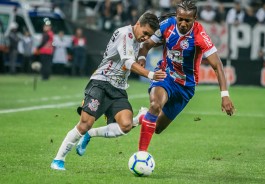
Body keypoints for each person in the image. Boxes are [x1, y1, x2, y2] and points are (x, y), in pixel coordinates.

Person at [50, 12, 166, 171]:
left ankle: (91, 134)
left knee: (125, 125)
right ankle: (58, 159)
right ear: (137, 24)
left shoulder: (138, 38)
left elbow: (140, 51)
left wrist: (143, 58)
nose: (146, 37)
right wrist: (151, 74)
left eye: (149, 35)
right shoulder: (125, 34)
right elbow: (128, 61)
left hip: (118, 88)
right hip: (101, 83)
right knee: (84, 124)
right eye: (145, 33)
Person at [133, 0, 235, 152]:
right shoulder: (167, 25)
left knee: (158, 128)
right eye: (180, 19)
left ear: (195, 19)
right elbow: (146, 44)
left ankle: (144, 117)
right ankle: (141, 155)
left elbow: (217, 65)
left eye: (187, 20)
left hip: (185, 87)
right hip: (165, 74)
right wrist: (141, 59)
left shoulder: (199, 35)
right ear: (177, 16)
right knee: (155, 105)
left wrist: (225, 95)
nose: (182, 23)